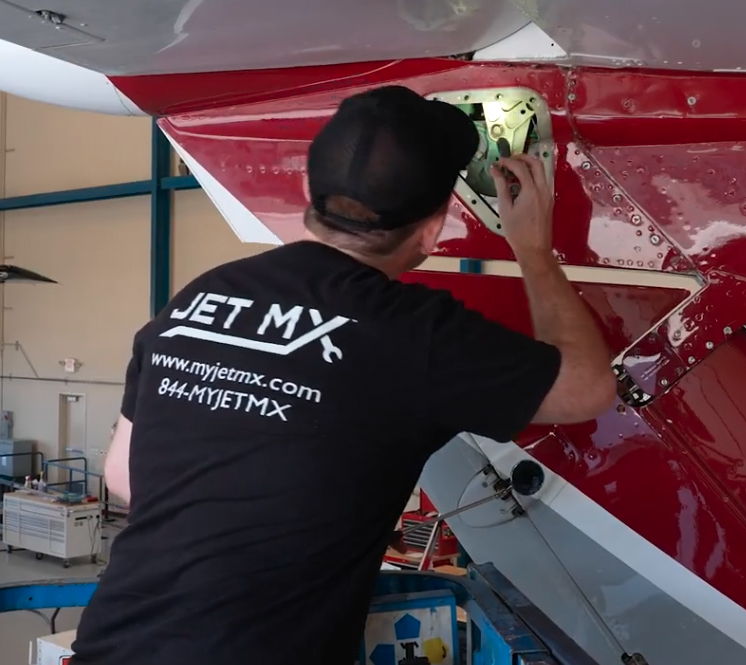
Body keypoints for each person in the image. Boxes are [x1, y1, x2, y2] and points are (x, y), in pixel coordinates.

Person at [70, 85, 615, 665]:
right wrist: (532, 250)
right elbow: (588, 387)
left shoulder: (202, 295)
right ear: (432, 231)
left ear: (308, 191)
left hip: (110, 644)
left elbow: (124, 474)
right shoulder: (416, 333)